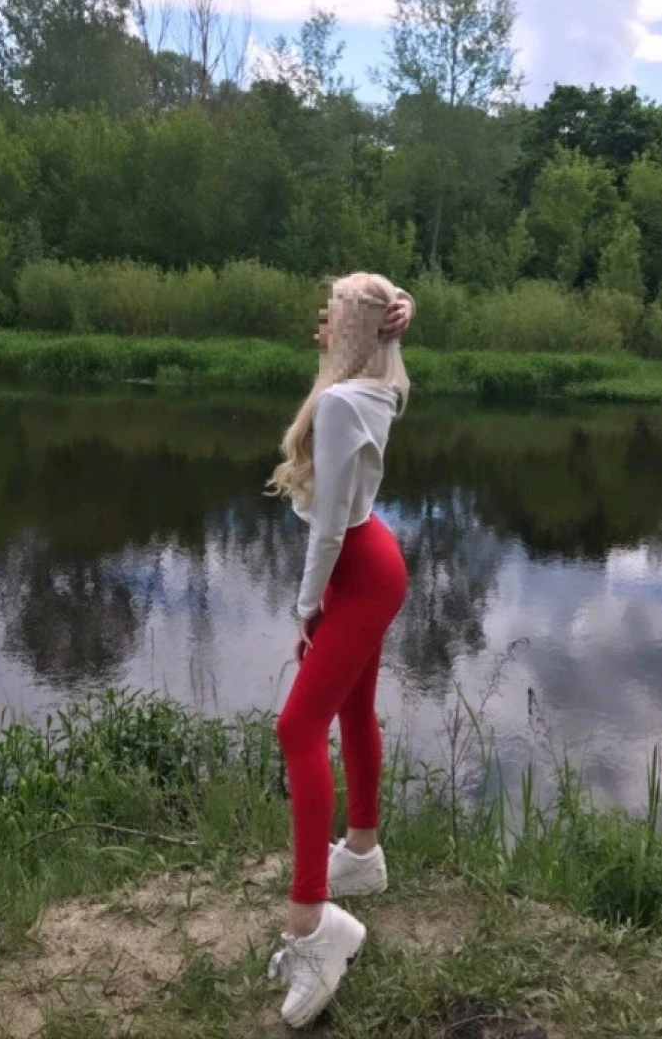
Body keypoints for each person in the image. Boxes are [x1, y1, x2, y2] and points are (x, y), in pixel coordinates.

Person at [266, 275, 414, 1028]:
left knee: (297, 729)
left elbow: (326, 528)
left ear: (357, 329)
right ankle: (360, 853)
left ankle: (314, 925)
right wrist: (401, 308)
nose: (319, 324)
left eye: (330, 315)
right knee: (352, 709)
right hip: (376, 560)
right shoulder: (379, 387)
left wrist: (306, 606)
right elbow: (385, 317)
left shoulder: (339, 404)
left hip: (355, 570)